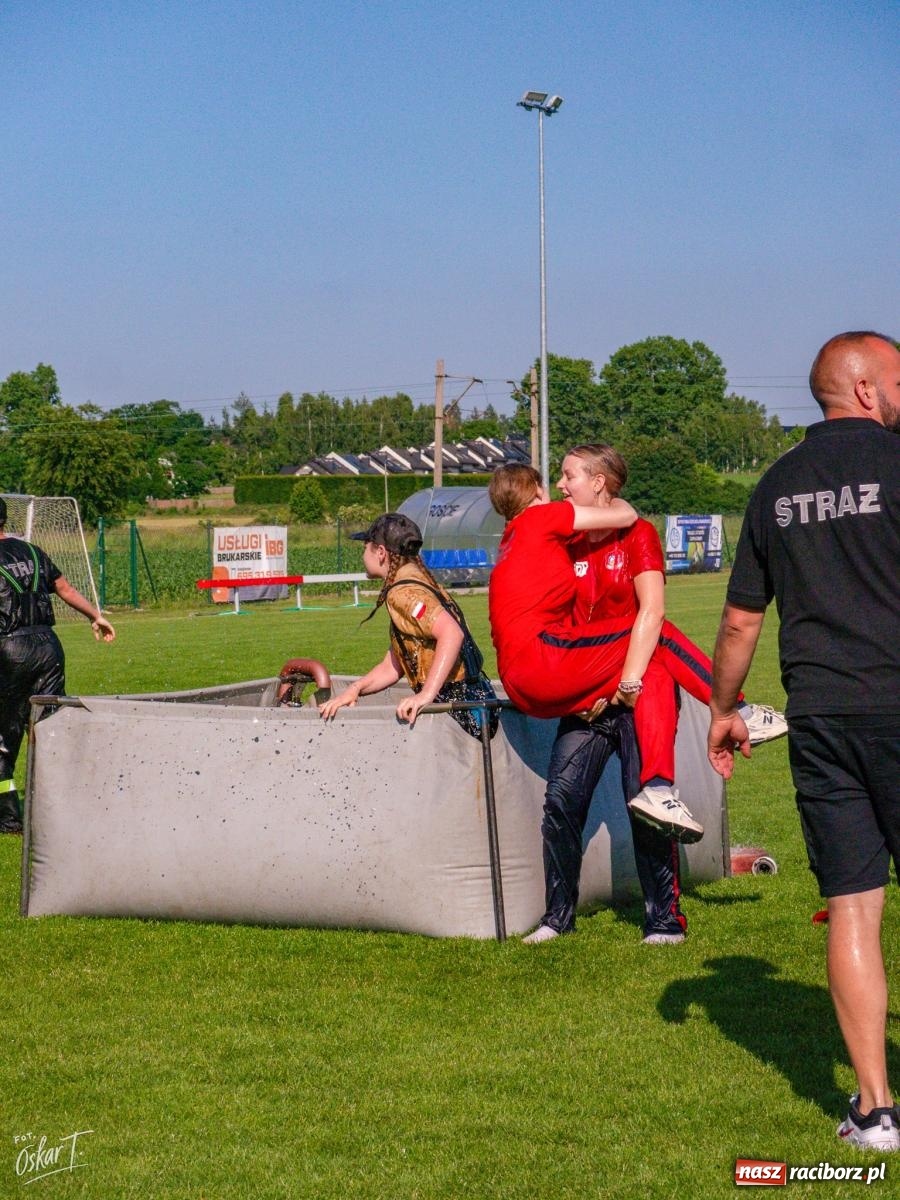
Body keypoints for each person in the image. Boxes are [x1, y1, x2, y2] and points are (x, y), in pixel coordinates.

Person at [707, 331, 900, 1151]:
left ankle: (875, 1111)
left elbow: (740, 621)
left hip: (821, 718)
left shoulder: (777, 485)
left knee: (852, 906)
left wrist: (724, 708)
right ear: (866, 389)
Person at [488, 463, 705, 843]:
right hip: (544, 659)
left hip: (525, 684)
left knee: (652, 667)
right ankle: (734, 709)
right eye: (551, 482)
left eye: (567, 477)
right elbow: (625, 514)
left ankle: (657, 789)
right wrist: (608, 498)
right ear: (535, 491)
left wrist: (584, 695)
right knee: (656, 633)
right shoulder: (542, 517)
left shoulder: (511, 538)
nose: (559, 486)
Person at [318, 513, 496, 738]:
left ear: (380, 552)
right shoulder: (420, 580)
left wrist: (426, 695)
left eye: (365, 547)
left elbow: (452, 633)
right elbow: (393, 666)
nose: (363, 555)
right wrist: (356, 689)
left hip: (456, 711)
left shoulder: (403, 592)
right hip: (474, 701)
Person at [0, 496, 116, 834]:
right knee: (49, 730)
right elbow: (64, 588)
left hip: (10, 648)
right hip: (49, 647)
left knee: (4, 737)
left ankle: (9, 819)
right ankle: (61, 808)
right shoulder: (33, 552)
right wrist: (95, 615)